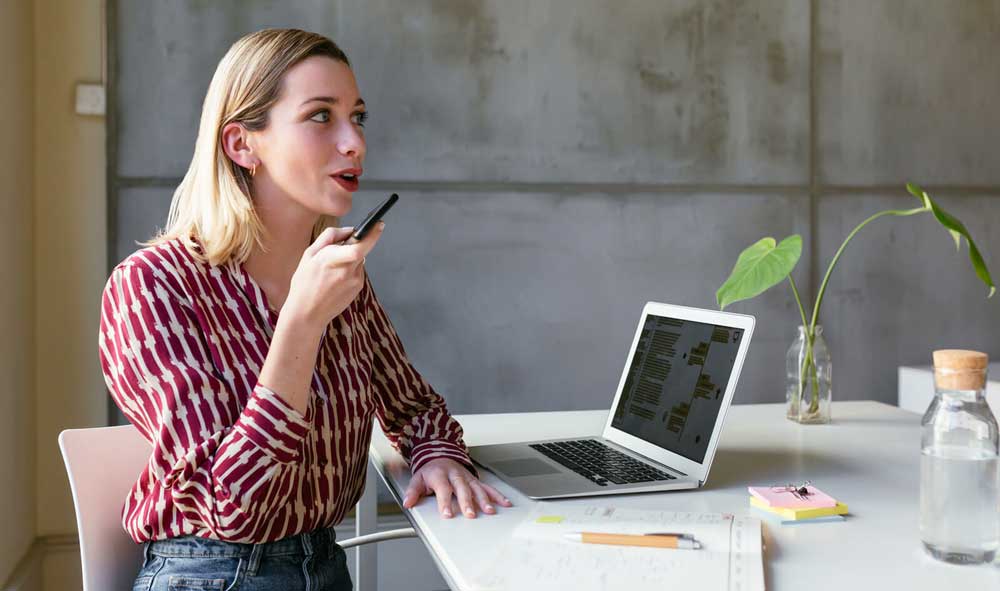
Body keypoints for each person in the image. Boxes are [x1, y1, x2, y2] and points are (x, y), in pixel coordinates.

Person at [99, 28, 512, 591]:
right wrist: (302, 320)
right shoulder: (151, 287)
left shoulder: (335, 273)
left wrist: (436, 457)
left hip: (325, 561)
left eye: (357, 117)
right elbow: (232, 507)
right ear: (242, 145)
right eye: (321, 117)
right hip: (213, 572)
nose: (355, 143)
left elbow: (414, 407)